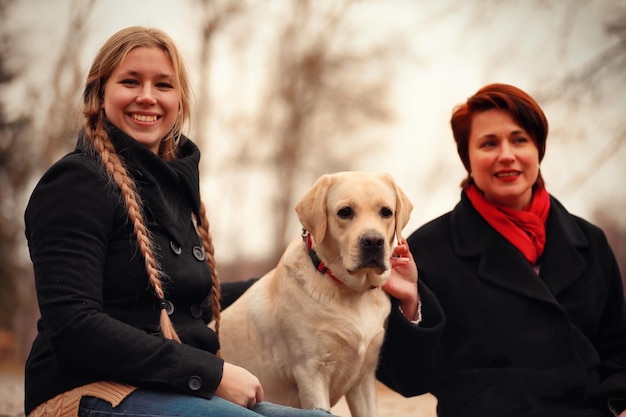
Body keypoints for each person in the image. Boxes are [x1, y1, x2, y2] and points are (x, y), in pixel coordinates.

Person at [23, 26, 335, 417]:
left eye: (164, 85)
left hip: (161, 387)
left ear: (180, 101)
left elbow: (188, 300)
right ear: (99, 95)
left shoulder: (173, 187)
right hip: (84, 392)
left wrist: (298, 279)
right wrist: (211, 373)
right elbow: (75, 326)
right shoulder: (76, 183)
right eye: (130, 81)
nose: (148, 96)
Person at [378, 83, 626, 416]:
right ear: (468, 158)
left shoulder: (590, 242)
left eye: (519, 139)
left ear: (538, 149)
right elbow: (407, 380)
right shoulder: (427, 250)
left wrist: (615, 405)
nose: (506, 154)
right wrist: (410, 305)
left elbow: (618, 350)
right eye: (489, 143)